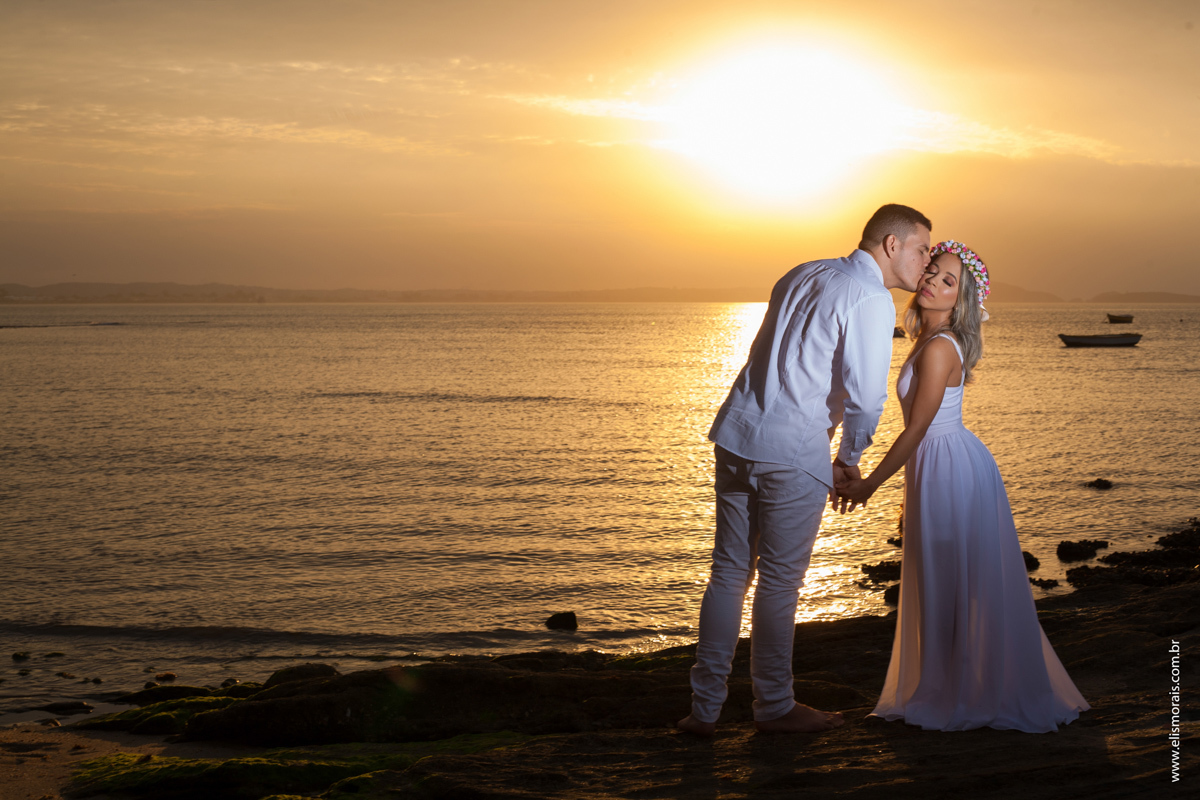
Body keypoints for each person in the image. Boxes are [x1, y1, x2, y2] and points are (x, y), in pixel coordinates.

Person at [677, 204, 932, 736]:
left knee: (727, 572)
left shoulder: (802, 271)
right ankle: (772, 706)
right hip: (792, 448)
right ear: (891, 245)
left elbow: (767, 354)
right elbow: (865, 397)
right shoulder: (868, 297)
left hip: (737, 432)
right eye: (922, 249)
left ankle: (704, 711)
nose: (926, 262)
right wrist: (850, 458)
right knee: (779, 583)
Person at [834, 240, 1090, 732]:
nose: (931, 281)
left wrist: (868, 484)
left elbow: (916, 430)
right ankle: (953, 685)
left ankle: (960, 693)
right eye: (932, 270)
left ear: (960, 300)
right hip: (938, 463)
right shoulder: (926, 340)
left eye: (948, 281)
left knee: (953, 581)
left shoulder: (940, 347)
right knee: (945, 577)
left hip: (948, 465)